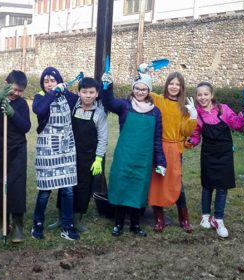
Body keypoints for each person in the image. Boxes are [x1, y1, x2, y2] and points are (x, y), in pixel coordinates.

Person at [101, 71, 166, 237]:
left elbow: (157, 138)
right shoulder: (125, 106)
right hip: (125, 156)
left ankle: (135, 225)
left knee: (138, 190)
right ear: (133, 89)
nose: (140, 92)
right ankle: (118, 224)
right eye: (137, 88)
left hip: (143, 160)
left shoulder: (155, 112)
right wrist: (107, 86)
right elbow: (108, 102)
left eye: (144, 89)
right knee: (122, 188)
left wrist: (160, 162)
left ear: (148, 91)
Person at [187, 81, 244, 238]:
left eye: (205, 94)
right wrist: (189, 143)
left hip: (225, 154)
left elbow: (237, 125)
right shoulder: (197, 114)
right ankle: (205, 216)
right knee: (207, 186)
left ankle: (218, 219)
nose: (202, 97)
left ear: (212, 95)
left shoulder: (223, 110)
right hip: (208, 154)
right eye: (199, 94)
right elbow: (195, 136)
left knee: (222, 187)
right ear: (196, 96)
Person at [31, 66, 79, 241]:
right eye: (46, 81)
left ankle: (67, 225)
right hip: (47, 150)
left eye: (53, 80)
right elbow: (40, 110)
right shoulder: (40, 97)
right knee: (45, 191)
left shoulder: (68, 97)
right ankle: (37, 223)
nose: (49, 84)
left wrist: (65, 90)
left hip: (66, 149)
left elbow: (81, 99)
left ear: (59, 81)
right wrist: (53, 93)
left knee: (67, 190)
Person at [148, 72, 197, 233]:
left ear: (181, 87)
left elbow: (185, 131)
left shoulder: (183, 108)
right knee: (157, 182)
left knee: (177, 183)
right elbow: (142, 90)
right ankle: (159, 219)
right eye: (171, 83)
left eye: (177, 84)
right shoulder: (158, 100)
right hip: (158, 147)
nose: (174, 87)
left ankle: (184, 219)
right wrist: (143, 75)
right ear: (166, 85)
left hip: (175, 149)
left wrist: (192, 116)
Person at [0, 70, 31, 243]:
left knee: (16, 186)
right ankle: (3, 225)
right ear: (6, 83)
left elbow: (26, 127)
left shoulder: (21, 105)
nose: (16, 93)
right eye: (14, 89)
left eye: (20, 91)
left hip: (16, 150)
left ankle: (18, 225)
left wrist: (13, 113)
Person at [71, 77, 108, 233]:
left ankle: (77, 219)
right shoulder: (73, 108)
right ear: (79, 93)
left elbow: (103, 138)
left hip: (88, 158)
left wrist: (98, 159)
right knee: (67, 186)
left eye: (91, 92)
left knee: (83, 188)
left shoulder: (100, 114)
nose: (87, 95)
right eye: (84, 92)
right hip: (71, 155)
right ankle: (62, 217)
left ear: (97, 94)